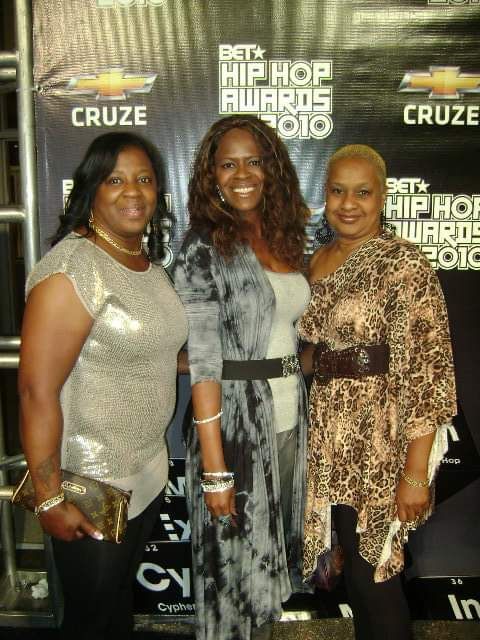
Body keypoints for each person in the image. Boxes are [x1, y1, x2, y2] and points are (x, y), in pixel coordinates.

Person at [18, 132, 187, 640]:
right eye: (115, 180)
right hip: (91, 486)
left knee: (115, 613)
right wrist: (48, 498)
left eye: (144, 179)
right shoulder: (73, 270)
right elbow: (35, 391)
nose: (132, 191)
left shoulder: (144, 264)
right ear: (91, 190)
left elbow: (150, 352)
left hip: (146, 473)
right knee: (91, 623)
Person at [299, 144, 457, 640]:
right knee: (354, 576)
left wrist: (415, 473)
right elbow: (313, 350)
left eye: (362, 193)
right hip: (328, 438)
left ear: (383, 197)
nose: (348, 204)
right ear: (325, 195)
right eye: (337, 191)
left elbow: (428, 371)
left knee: (376, 576)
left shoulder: (403, 262)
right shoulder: (316, 260)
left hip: (381, 440)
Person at [173, 115, 311, 640]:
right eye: (228, 164)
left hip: (289, 418)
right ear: (211, 176)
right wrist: (215, 470)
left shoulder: (284, 237)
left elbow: (290, 336)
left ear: (272, 169)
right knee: (230, 572)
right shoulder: (203, 247)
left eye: (253, 161)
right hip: (232, 428)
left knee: (267, 566)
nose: (243, 174)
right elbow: (205, 363)